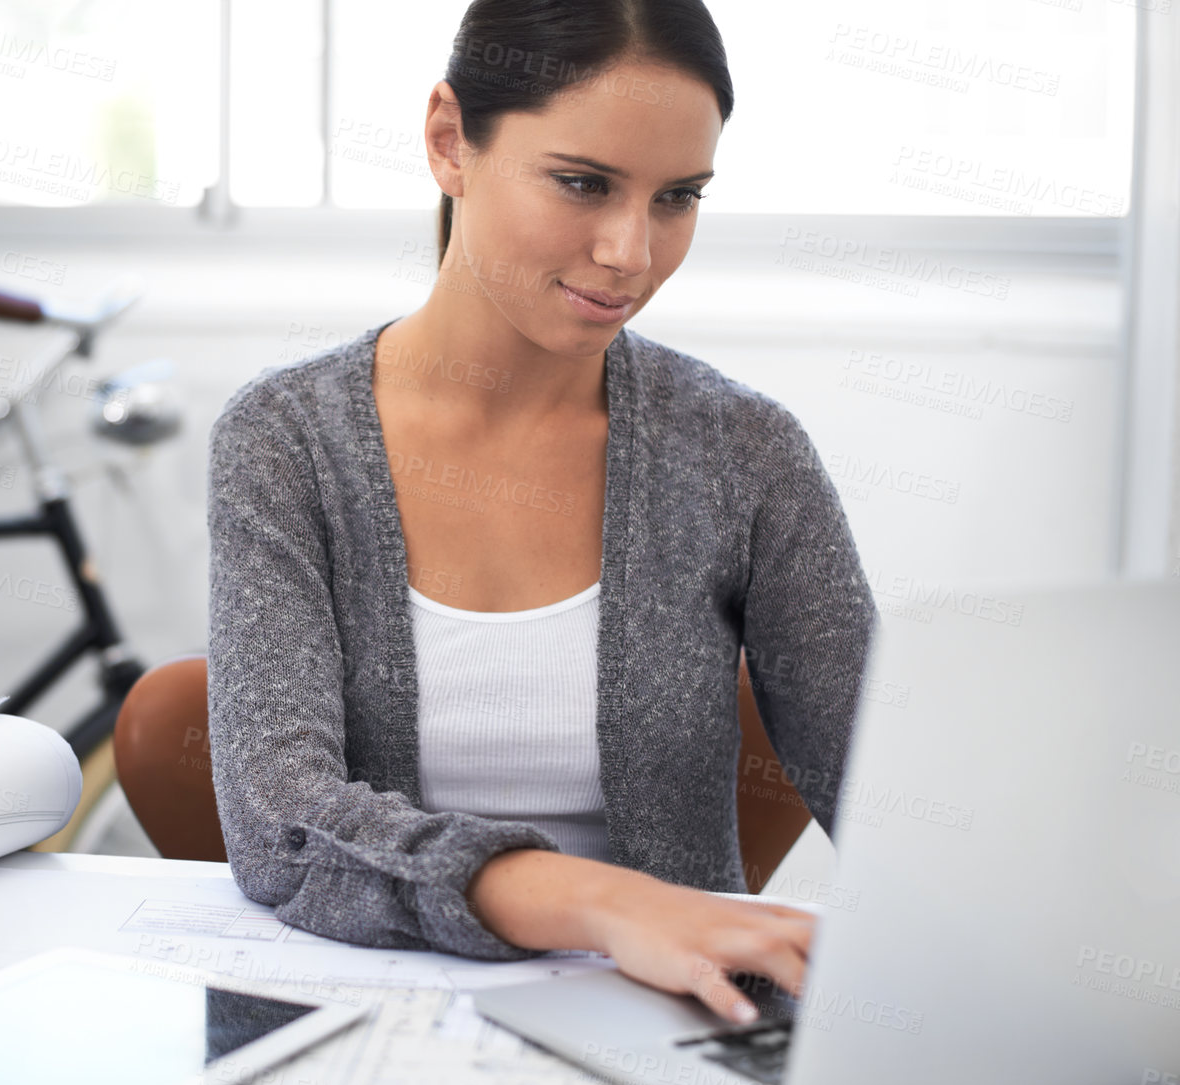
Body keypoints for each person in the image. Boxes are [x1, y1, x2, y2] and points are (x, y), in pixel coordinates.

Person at [204, 0, 876, 1025]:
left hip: (684, 1027)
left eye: (677, 197)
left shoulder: (744, 451)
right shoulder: (286, 440)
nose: (629, 253)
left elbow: (894, 797)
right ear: (447, 141)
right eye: (582, 182)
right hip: (379, 1023)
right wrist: (608, 903)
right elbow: (283, 821)